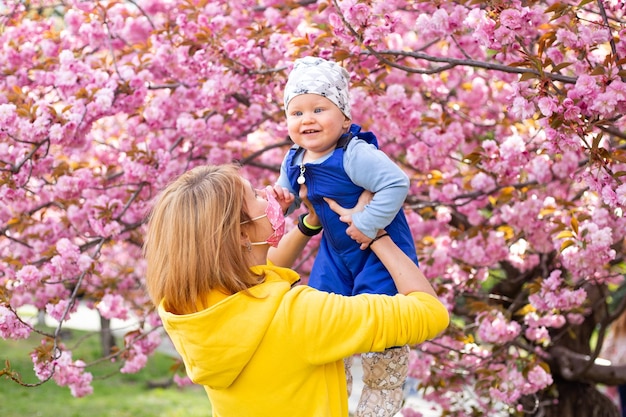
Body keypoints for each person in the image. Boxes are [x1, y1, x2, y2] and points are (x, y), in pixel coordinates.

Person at [143, 164, 449, 417]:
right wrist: (377, 234)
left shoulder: (186, 306)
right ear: (240, 234)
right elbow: (430, 313)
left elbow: (258, 273)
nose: (268, 195)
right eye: (255, 196)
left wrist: (308, 225)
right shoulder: (300, 316)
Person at [276, 56, 421, 415]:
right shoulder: (293, 160)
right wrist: (279, 200)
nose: (307, 119)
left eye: (319, 109)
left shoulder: (354, 154)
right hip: (336, 251)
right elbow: (288, 198)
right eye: (296, 113)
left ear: (344, 119)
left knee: (380, 328)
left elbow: (395, 182)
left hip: (377, 250)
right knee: (323, 316)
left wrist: (369, 223)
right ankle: (332, 396)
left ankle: (378, 401)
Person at [601, 311, 626, 417]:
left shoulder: (618, 327)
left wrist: (613, 361)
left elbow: (606, 350)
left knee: (624, 404)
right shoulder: (619, 327)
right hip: (620, 370)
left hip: (620, 370)